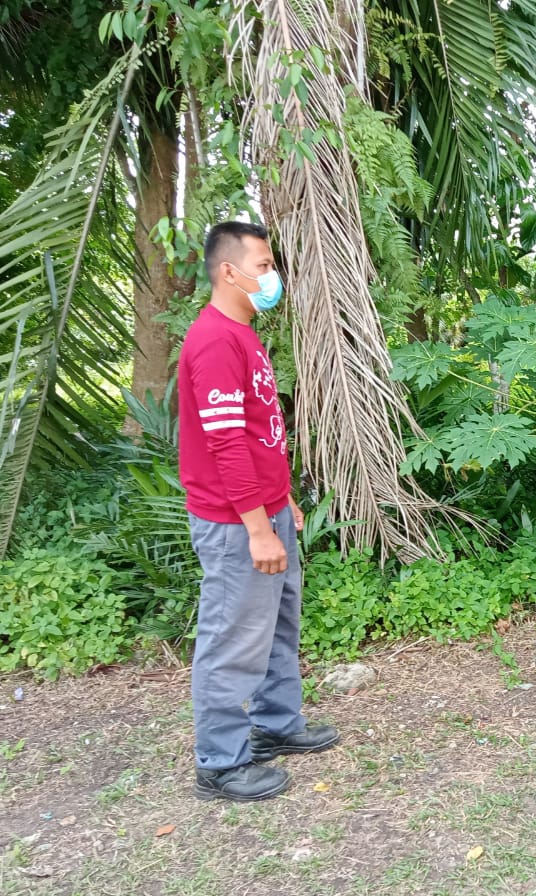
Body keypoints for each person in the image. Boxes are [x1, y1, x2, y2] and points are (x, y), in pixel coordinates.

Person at [178, 221, 339, 802]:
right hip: (234, 524)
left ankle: (274, 725)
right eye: (265, 265)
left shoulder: (244, 337)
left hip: (266, 512)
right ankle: (220, 763)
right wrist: (255, 526)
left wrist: (282, 499)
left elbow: (257, 435)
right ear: (230, 271)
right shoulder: (216, 340)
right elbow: (223, 444)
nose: (273, 277)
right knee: (233, 638)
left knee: (276, 626)